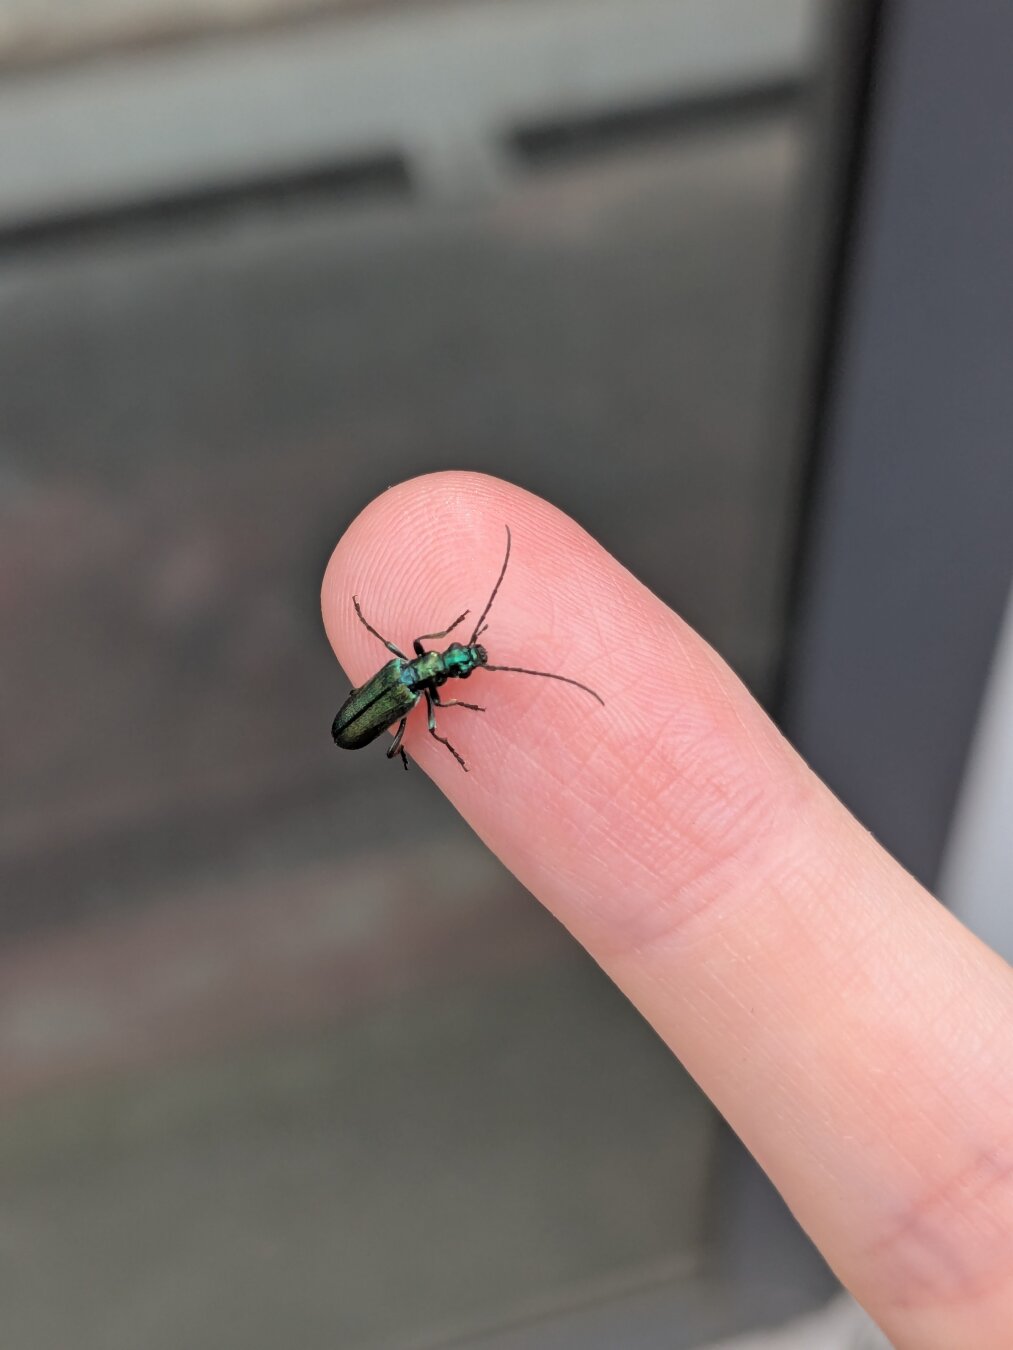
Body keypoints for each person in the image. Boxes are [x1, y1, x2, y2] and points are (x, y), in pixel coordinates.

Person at [322, 472, 1013, 1349]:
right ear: (437, 661)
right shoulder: (410, 684)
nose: (459, 661)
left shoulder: (411, 679)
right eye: (457, 659)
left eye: (456, 661)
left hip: (381, 704)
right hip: (372, 710)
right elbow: (413, 695)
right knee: (419, 730)